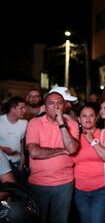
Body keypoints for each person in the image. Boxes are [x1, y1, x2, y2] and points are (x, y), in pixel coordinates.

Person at [25, 87, 80, 223]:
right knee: (38, 220)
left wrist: (62, 123)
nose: (56, 106)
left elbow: (72, 149)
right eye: (51, 103)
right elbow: (34, 152)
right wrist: (61, 150)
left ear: (64, 105)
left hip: (64, 183)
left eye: (59, 103)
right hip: (38, 183)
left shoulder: (72, 124)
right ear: (45, 106)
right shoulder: (34, 123)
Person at [72, 103, 105, 223]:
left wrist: (93, 140)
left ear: (96, 118)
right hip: (80, 191)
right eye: (84, 116)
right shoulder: (75, 138)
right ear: (79, 119)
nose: (87, 119)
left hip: (101, 190)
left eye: (91, 115)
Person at [0, 97, 28, 184]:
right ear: (13, 109)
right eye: (21, 108)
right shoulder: (0, 120)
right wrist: (2, 148)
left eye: (25, 108)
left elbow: (23, 143)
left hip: (17, 162)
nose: (24, 111)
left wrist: (22, 162)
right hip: (2, 163)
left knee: (18, 191)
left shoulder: (24, 123)